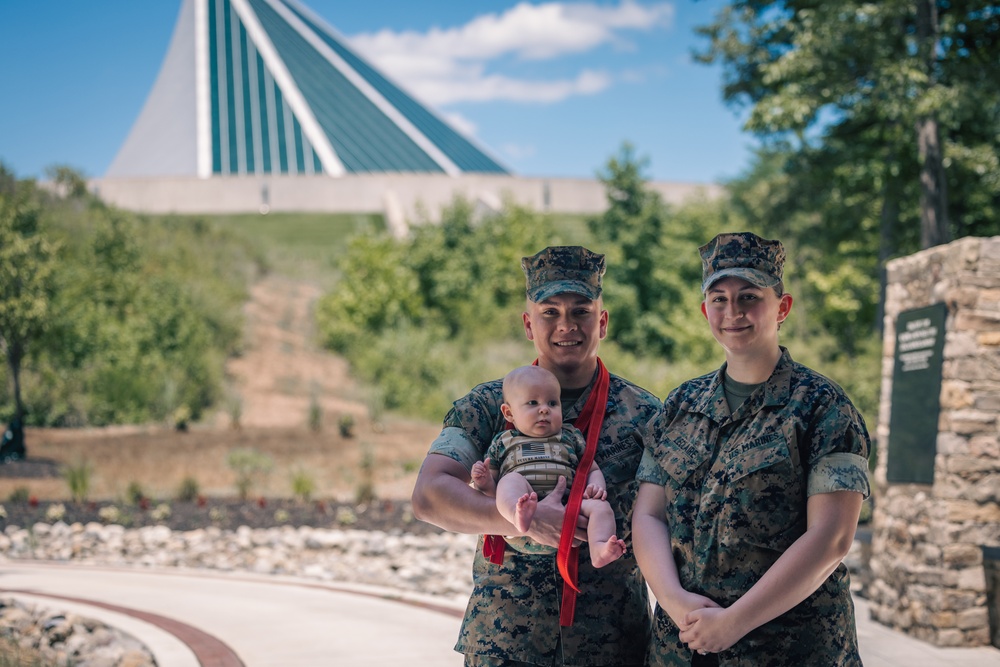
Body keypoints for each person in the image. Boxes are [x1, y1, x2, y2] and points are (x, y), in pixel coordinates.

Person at [411, 245, 660, 667]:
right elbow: (429, 495)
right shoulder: (490, 405)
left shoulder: (646, 414)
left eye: (581, 311)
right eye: (550, 312)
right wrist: (517, 516)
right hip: (506, 644)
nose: (567, 325)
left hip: (613, 646)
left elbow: (668, 519)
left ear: (602, 322)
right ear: (529, 323)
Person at [632, 232, 871, 667]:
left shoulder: (822, 407)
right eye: (719, 299)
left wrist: (735, 621)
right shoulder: (680, 405)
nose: (733, 312)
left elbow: (831, 538)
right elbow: (648, 514)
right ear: (706, 310)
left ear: (782, 307)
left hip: (789, 650)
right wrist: (672, 599)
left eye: (749, 296)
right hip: (681, 648)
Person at [470, 364, 627, 568]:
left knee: (601, 508)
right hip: (523, 515)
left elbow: (592, 468)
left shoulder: (570, 437)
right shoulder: (504, 441)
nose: (544, 409)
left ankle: (599, 549)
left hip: (567, 509)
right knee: (510, 481)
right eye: (533, 403)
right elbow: (493, 490)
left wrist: (597, 487)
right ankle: (518, 516)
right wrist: (484, 481)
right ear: (509, 413)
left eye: (552, 403)